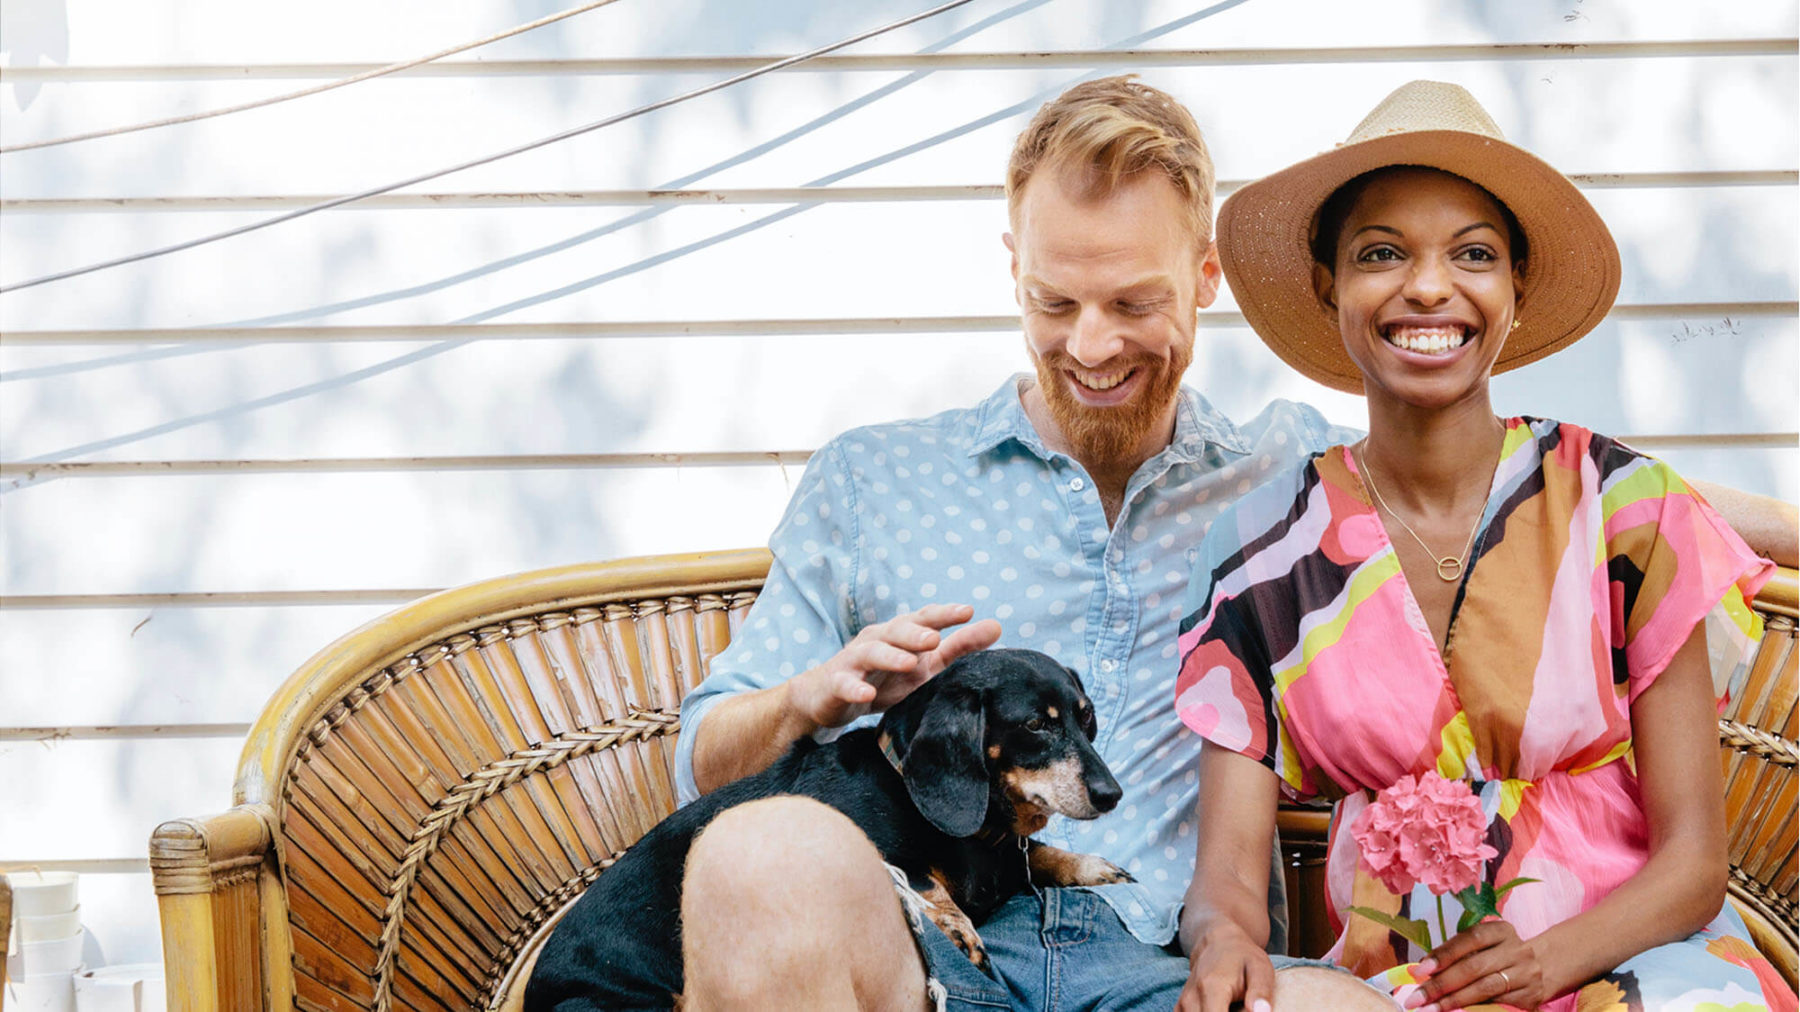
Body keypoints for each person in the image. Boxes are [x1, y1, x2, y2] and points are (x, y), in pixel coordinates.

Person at [669, 75, 1373, 1011]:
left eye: (1133, 303)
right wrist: (807, 696)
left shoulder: (1288, 477)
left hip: (1169, 967)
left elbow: (1481, 541)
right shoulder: (872, 481)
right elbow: (702, 766)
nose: (1090, 347)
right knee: (753, 848)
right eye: (1055, 302)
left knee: (1347, 1010)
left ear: (1207, 276)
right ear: (1012, 268)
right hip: (916, 948)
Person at [1174, 80, 1798, 1012]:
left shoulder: (1622, 506)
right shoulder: (1262, 556)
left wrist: (1546, 964)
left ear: (1515, 287)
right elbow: (1225, 879)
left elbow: (1694, 867)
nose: (1428, 286)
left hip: (1644, 961)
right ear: (1328, 285)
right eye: (1382, 253)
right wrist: (1225, 940)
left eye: (1472, 254)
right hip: (1401, 985)